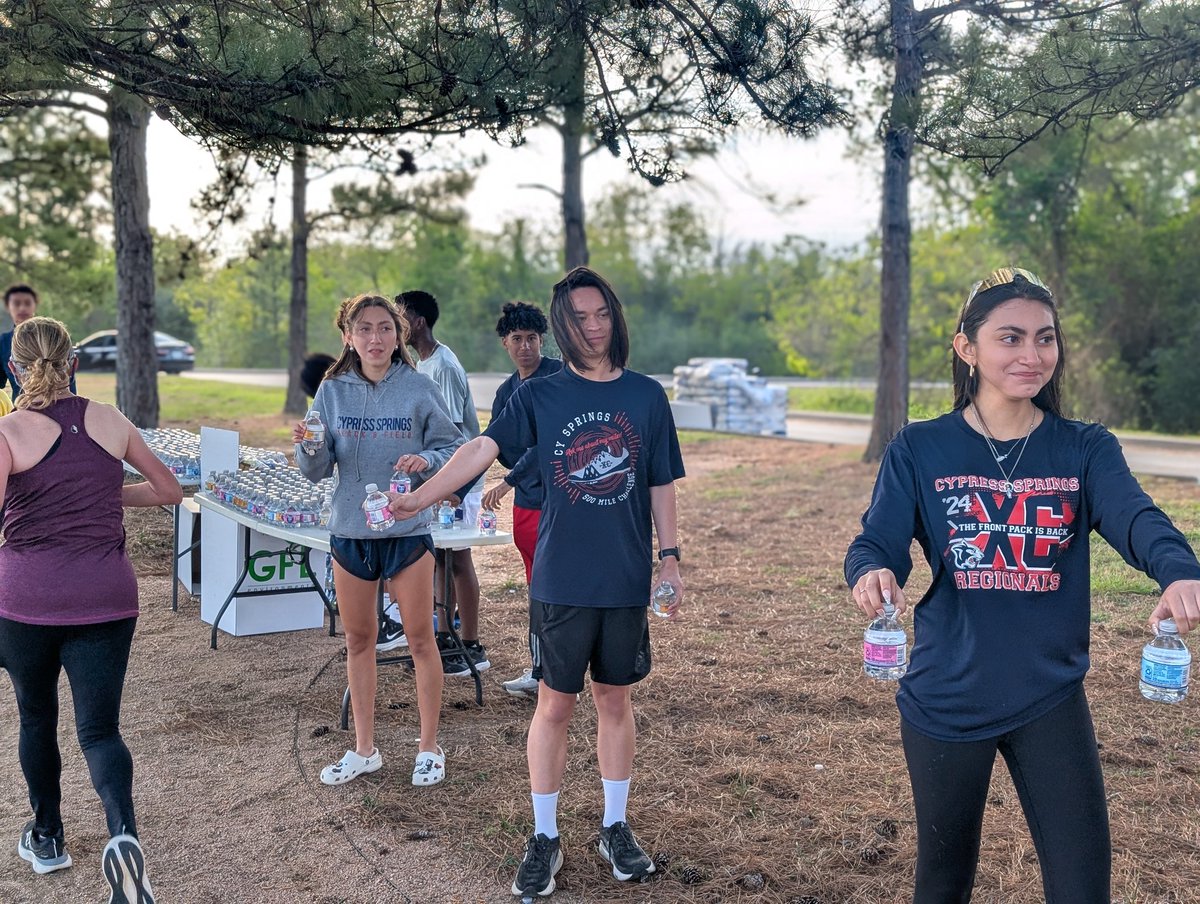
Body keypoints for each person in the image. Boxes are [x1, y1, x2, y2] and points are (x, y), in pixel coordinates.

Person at [844, 267, 1200, 904]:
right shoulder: (920, 448)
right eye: (1010, 337)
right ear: (967, 347)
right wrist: (872, 572)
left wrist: (1179, 569)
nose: (1031, 354)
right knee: (944, 882)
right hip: (947, 695)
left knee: (1082, 886)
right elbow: (878, 542)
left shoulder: (1084, 448)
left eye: (1045, 337)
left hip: (1048, 695)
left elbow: (1136, 517)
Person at [389, 266, 685, 898]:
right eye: (579, 317)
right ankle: (545, 835)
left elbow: (660, 480)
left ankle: (614, 826)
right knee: (555, 703)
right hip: (560, 577)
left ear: (615, 318)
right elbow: (480, 450)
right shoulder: (540, 395)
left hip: (625, 577)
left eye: (602, 314)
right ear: (562, 326)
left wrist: (671, 558)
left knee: (614, 700)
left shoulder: (646, 396)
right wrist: (421, 497)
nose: (593, 327)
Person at [0, 316, 181, 902]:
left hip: (27, 600)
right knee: (100, 731)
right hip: (106, 596)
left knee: (36, 717)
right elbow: (170, 491)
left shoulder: (8, 432)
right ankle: (123, 836)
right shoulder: (110, 419)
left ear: (13, 369)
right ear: (74, 364)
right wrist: (103, 492)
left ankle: (47, 837)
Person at [294, 294, 464, 788]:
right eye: (364, 329)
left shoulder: (417, 386)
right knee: (359, 640)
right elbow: (316, 467)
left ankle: (429, 748)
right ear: (349, 337)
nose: (375, 337)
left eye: (385, 328)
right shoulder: (332, 391)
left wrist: (426, 461)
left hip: (407, 531)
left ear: (398, 335)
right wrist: (307, 446)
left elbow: (453, 447)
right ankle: (364, 749)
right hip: (350, 531)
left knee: (420, 638)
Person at [396, 289, 489, 677]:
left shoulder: (444, 367)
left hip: (459, 481)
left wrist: (449, 489)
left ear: (418, 322)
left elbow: (452, 436)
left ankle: (472, 644)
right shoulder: (424, 363)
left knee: (459, 560)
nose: (394, 326)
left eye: (399, 318)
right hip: (437, 479)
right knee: (438, 560)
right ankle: (444, 635)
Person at [481, 301, 563, 699]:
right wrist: (452, 486)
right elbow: (492, 443)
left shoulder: (559, 378)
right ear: (505, 343)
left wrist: (510, 479)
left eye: (532, 338)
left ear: (542, 340)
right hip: (528, 503)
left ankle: (556, 671)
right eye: (517, 339)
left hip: (563, 500)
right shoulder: (506, 391)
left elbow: (550, 442)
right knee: (536, 586)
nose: (525, 346)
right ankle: (540, 670)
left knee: (557, 586)